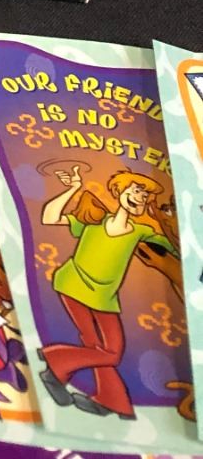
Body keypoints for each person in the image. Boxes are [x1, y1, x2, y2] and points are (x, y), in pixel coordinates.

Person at [38, 163, 178, 421]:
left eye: (145, 195)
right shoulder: (94, 219)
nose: (140, 197)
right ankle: (102, 395)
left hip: (104, 298)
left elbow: (175, 245)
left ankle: (65, 370)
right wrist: (73, 188)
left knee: (108, 351)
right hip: (72, 285)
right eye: (135, 191)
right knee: (103, 348)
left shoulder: (142, 231)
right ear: (120, 192)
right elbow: (49, 217)